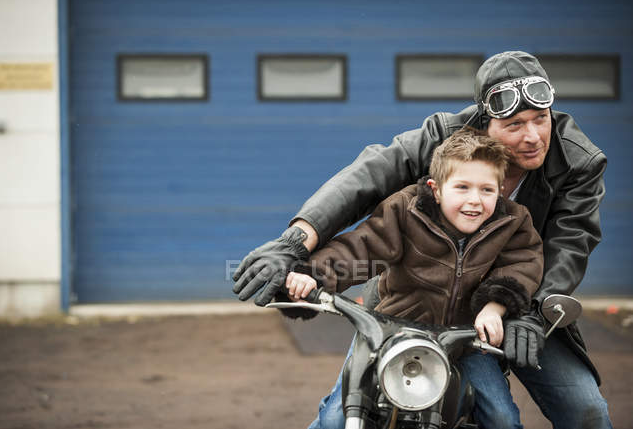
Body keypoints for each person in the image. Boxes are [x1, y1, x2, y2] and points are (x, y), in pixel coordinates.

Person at [232, 51, 613, 428]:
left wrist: (530, 311)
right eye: (514, 125)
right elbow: (367, 186)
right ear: (484, 125)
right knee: (342, 412)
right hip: (408, 310)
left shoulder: (576, 163)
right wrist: (298, 248)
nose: (533, 137)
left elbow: (568, 246)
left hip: (519, 300)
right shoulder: (443, 145)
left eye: (541, 119)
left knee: (584, 410)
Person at [285, 127, 543, 428]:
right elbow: (361, 248)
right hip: (389, 332)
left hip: (464, 340)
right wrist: (314, 276)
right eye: (462, 187)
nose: (475, 200)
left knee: (502, 418)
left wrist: (495, 306)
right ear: (436, 188)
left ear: (500, 191)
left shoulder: (513, 221)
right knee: (334, 420)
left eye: (486, 190)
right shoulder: (406, 210)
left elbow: (522, 263)